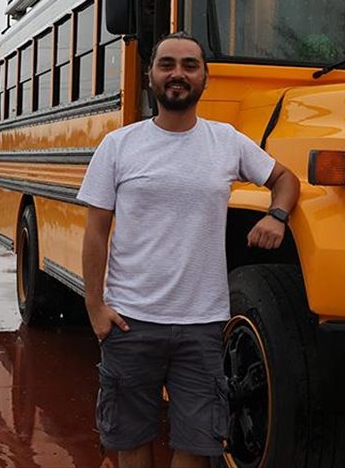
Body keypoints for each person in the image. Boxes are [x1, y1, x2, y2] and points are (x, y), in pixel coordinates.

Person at [77, 32, 300, 468]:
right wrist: (94, 305)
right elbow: (96, 231)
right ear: (150, 76)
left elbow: (285, 179)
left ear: (204, 78)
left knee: (198, 445)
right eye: (167, 65)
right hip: (130, 322)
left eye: (189, 65)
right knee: (131, 441)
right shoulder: (119, 146)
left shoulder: (227, 141)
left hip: (201, 325)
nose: (178, 74)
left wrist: (277, 216)